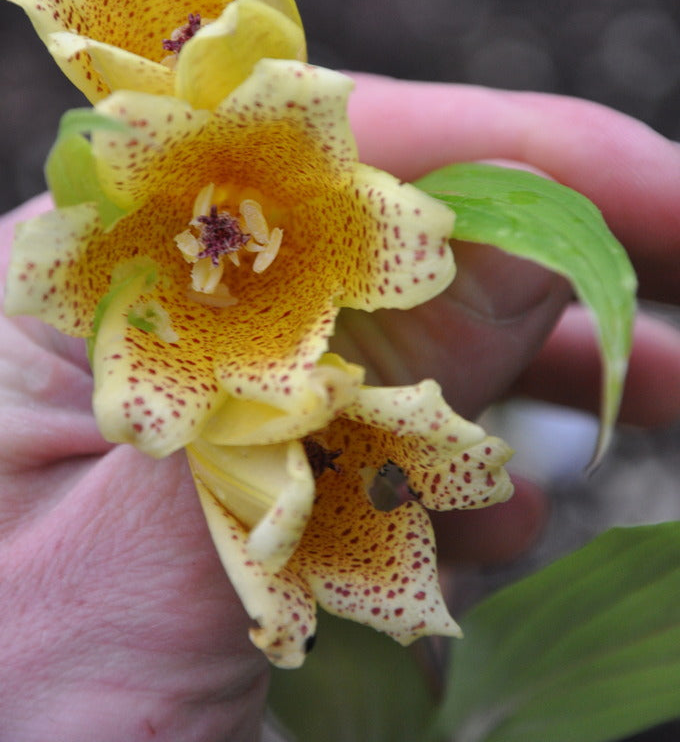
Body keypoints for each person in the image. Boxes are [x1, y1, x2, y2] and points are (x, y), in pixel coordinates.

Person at [0, 74, 678, 742]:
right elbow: (145, 389)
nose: (226, 236)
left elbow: (402, 243)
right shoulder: (158, 356)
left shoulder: (293, 134)